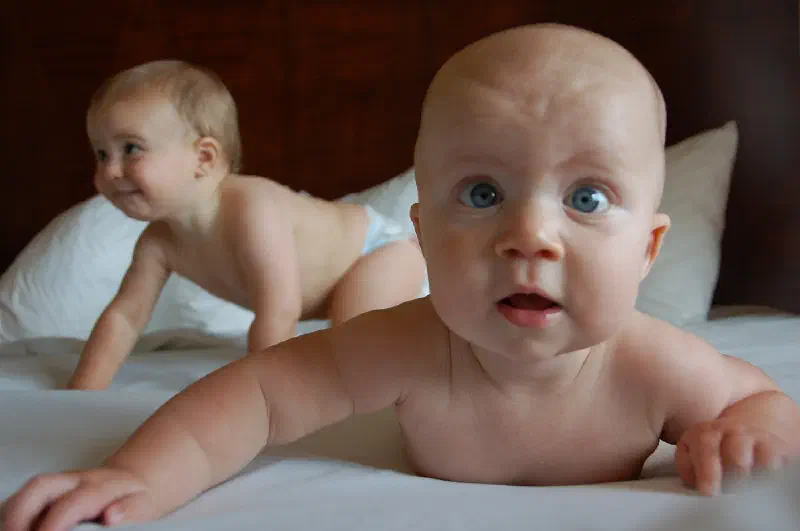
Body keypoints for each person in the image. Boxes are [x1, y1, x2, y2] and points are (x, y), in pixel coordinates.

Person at [5, 23, 799, 531]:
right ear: (421, 234)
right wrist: (135, 477)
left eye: (587, 198)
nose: (529, 236)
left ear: (649, 251)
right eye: (482, 193)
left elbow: (766, 401)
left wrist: (754, 431)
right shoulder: (409, 345)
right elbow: (252, 394)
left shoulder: (653, 365)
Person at [65, 59, 427, 390]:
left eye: (131, 149)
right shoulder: (158, 243)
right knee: (339, 348)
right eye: (101, 154)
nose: (110, 171)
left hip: (376, 251)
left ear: (203, 157)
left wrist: (261, 396)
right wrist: (82, 390)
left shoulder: (251, 210)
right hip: (326, 288)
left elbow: (280, 308)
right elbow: (125, 317)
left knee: (352, 347)